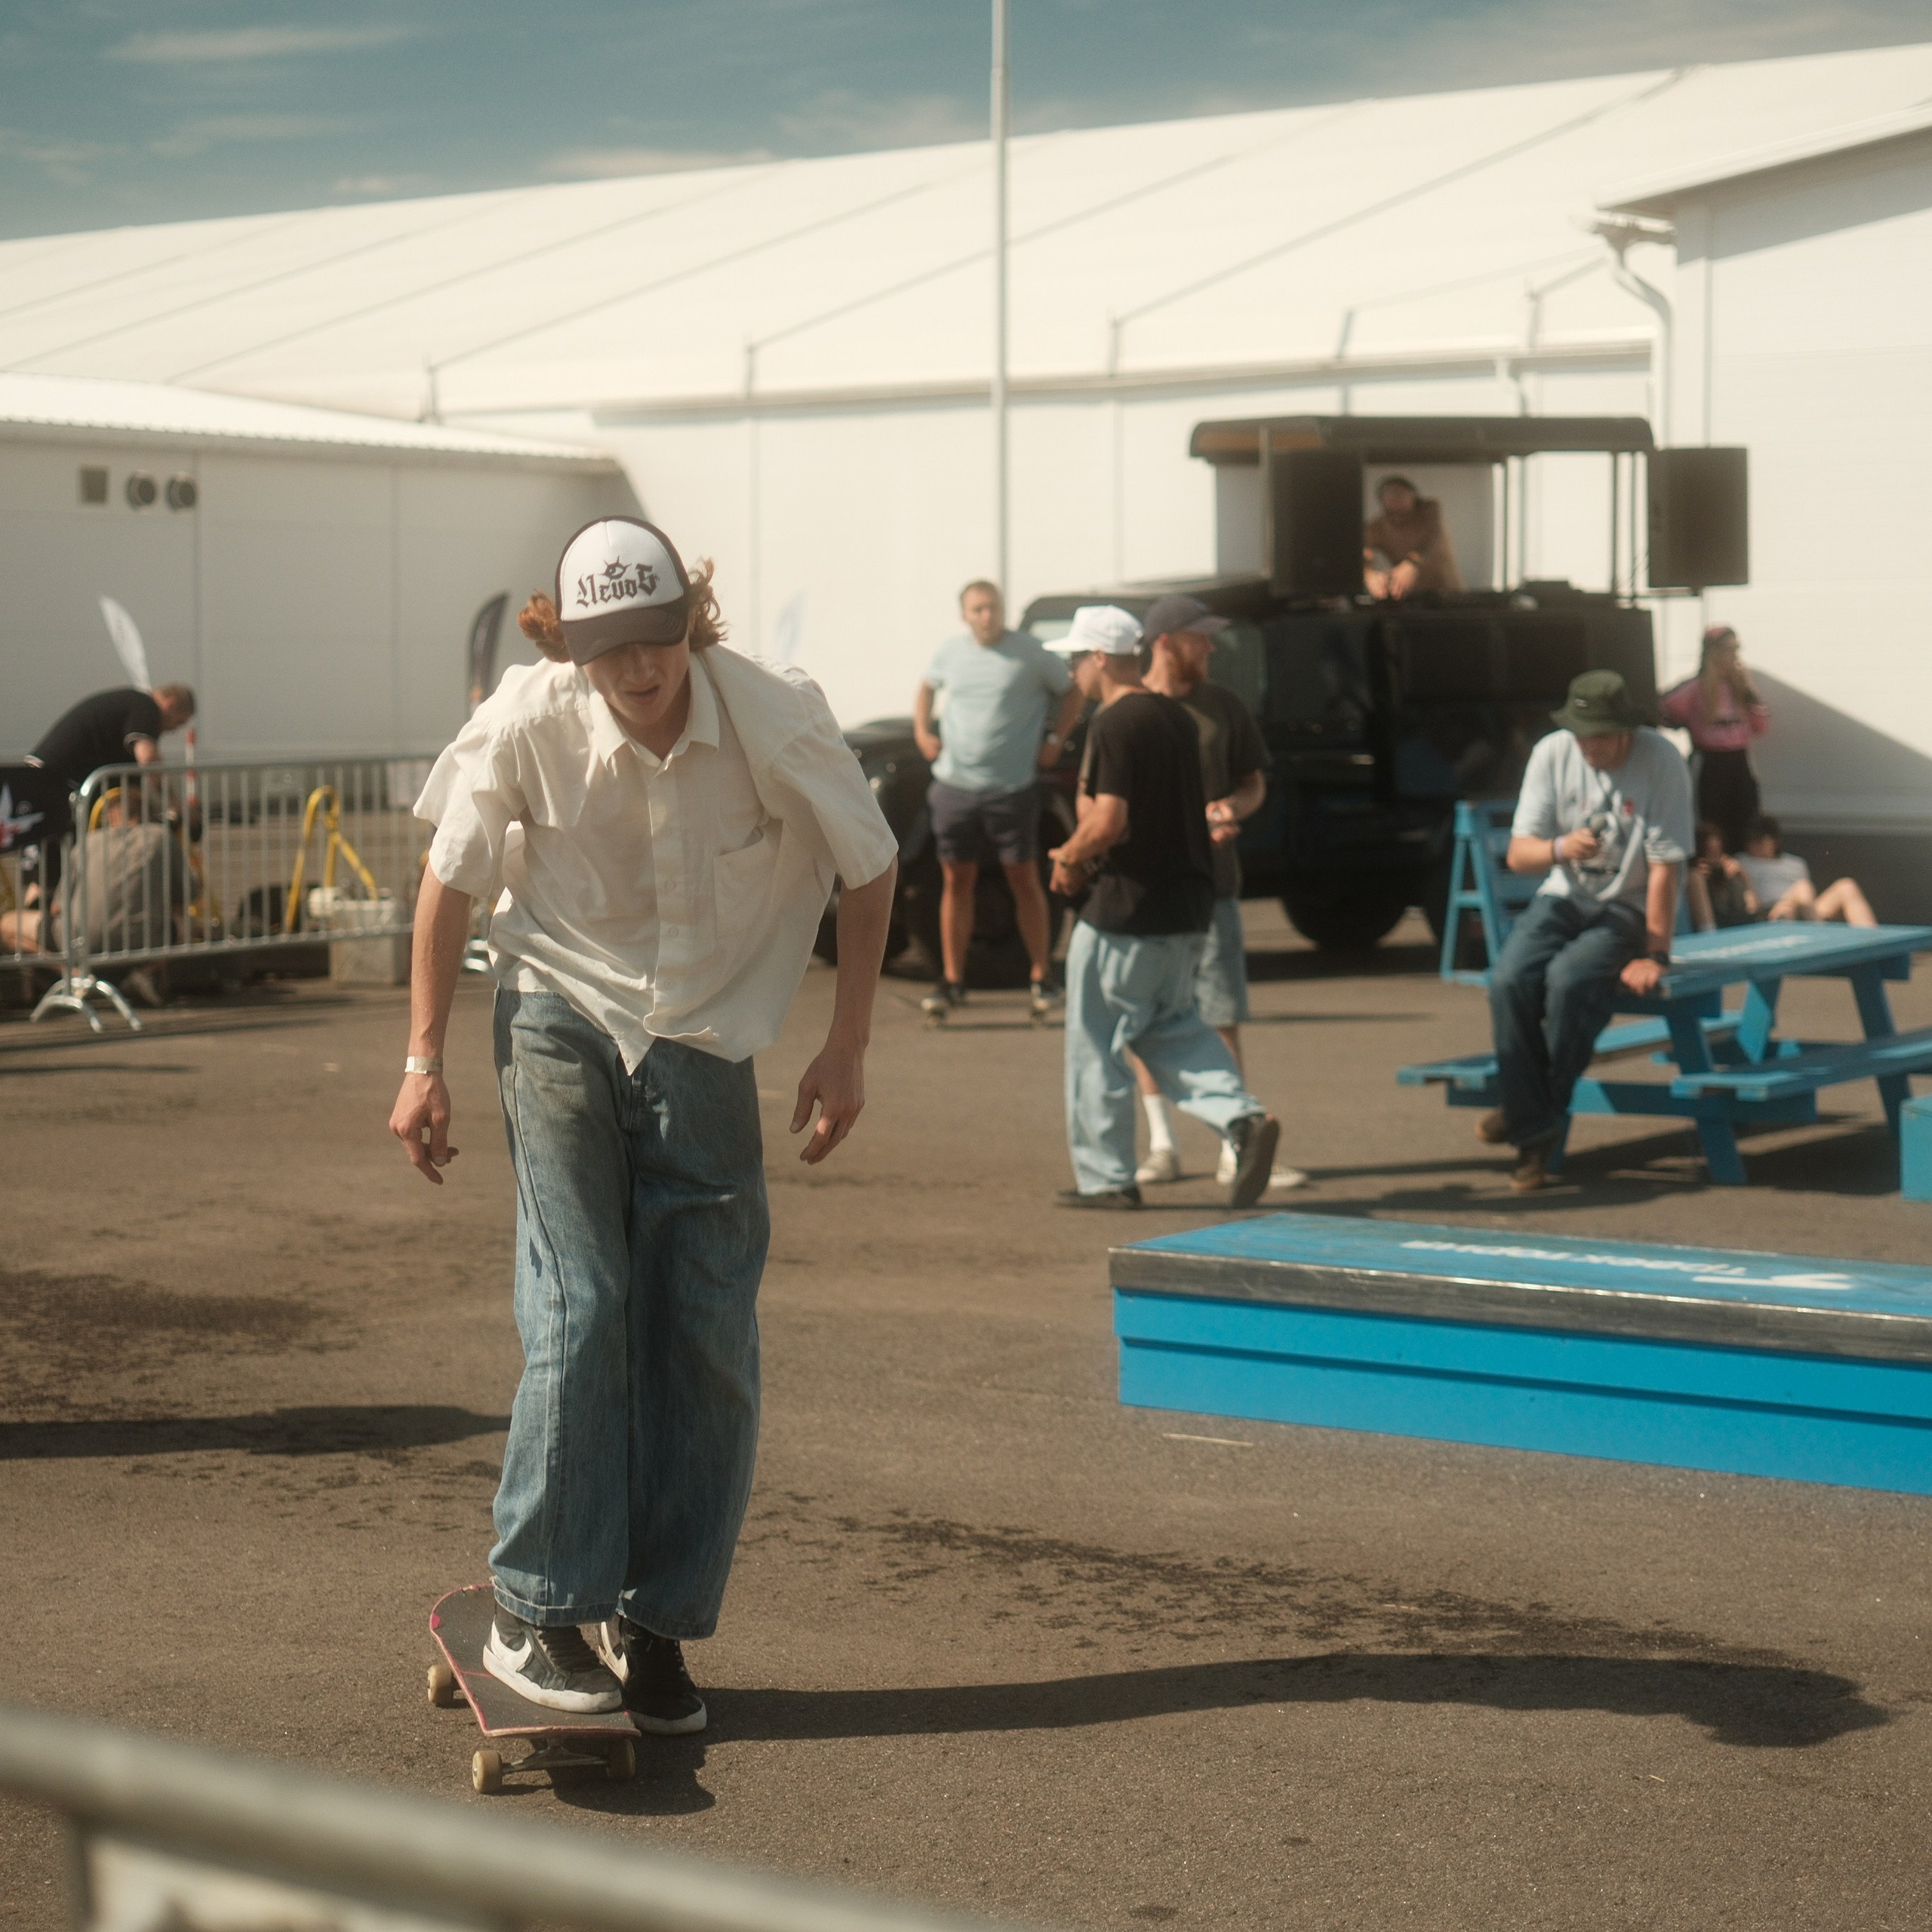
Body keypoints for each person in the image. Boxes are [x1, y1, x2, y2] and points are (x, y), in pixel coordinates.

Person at [389, 516, 898, 1727]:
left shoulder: (772, 713)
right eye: (610, 646)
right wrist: (423, 1061)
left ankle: (657, 1623)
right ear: (568, 642)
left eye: (659, 638)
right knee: (586, 1302)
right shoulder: (527, 718)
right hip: (556, 1010)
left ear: (691, 623)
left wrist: (848, 1044)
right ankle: (537, 1608)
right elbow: (450, 880)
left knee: (706, 1330)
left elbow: (870, 863)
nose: (639, 667)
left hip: (706, 1033)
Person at [1045, 605, 1281, 1211]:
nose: (1072, 671)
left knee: (1096, 1042)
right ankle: (1241, 1119)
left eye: (1076, 658)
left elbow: (1109, 820)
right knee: (1168, 1025)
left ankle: (1107, 1179)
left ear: (1101, 658)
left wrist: (1068, 858)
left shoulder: (1114, 722)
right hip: (1188, 904)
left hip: (1127, 908)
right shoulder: (1175, 718)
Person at [1479, 669, 1692, 1192]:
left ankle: (1529, 1127)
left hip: (1628, 904)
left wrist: (1656, 954)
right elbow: (1519, 854)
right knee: (1508, 979)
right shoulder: (1552, 753)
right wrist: (1560, 848)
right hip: (1564, 894)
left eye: (1599, 736)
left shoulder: (1662, 760)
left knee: (1571, 980)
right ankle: (1532, 1114)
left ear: (1626, 730)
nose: (1588, 746)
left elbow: (1666, 866)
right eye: (1580, 735)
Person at [1129, 592, 1306, 1192]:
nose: (1210, 646)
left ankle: (1236, 1148)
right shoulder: (1134, 708)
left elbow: (1254, 784)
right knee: (1145, 1019)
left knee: (1221, 1014)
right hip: (1149, 893)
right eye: (1198, 636)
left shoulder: (1223, 705)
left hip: (1214, 888)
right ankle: (1162, 1146)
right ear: (1164, 642)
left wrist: (1234, 808)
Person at [913, 580, 1083, 1020]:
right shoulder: (949, 652)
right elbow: (926, 687)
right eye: (978, 609)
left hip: (1011, 789)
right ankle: (952, 980)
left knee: (1024, 879)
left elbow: (1073, 690)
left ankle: (1042, 977)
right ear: (964, 615)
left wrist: (1055, 739)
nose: (987, 616)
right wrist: (922, 732)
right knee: (957, 880)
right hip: (955, 787)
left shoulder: (1030, 652)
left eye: (993, 607)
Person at [23, 682, 195, 897]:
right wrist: (173, 804)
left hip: (47, 783)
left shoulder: (127, 712)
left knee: (49, 876)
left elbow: (131, 786)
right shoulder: (145, 706)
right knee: (51, 877)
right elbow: (148, 759)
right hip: (53, 785)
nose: (173, 730)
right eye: (178, 723)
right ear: (171, 704)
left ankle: (44, 909)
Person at [1659, 626, 1767, 851]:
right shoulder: (1696, 687)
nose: (1734, 655)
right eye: (1728, 649)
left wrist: (1751, 697)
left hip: (1739, 761)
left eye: (1736, 649)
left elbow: (1760, 728)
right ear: (1713, 652)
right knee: (1712, 824)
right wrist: (1683, 724)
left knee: (1746, 820)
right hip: (1709, 762)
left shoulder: (1741, 686)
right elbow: (1664, 709)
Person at [1737, 814, 1875, 927]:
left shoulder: (1795, 863)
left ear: (1774, 840)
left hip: (1806, 910)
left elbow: (1808, 897)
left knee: (1847, 886)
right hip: (1773, 912)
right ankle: (1821, 934)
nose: (1754, 844)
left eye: (1760, 840)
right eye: (1751, 840)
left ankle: (1871, 940)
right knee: (1802, 887)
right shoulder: (1742, 862)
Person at [1363, 475, 1463, 599]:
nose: (1398, 519)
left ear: (1414, 497)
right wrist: (1369, 575)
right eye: (1392, 514)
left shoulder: (1429, 510)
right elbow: (1365, 550)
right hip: (1412, 596)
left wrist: (1411, 564)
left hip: (1449, 590)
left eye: (1399, 493)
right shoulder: (1376, 527)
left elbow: (1431, 538)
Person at [1686, 820, 1761, 931]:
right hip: (1717, 932)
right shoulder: (1695, 877)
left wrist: (1743, 876)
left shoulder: (1732, 876)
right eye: (1710, 852)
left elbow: (1753, 910)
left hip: (1742, 928)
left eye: (1718, 852)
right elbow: (1707, 927)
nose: (1715, 859)